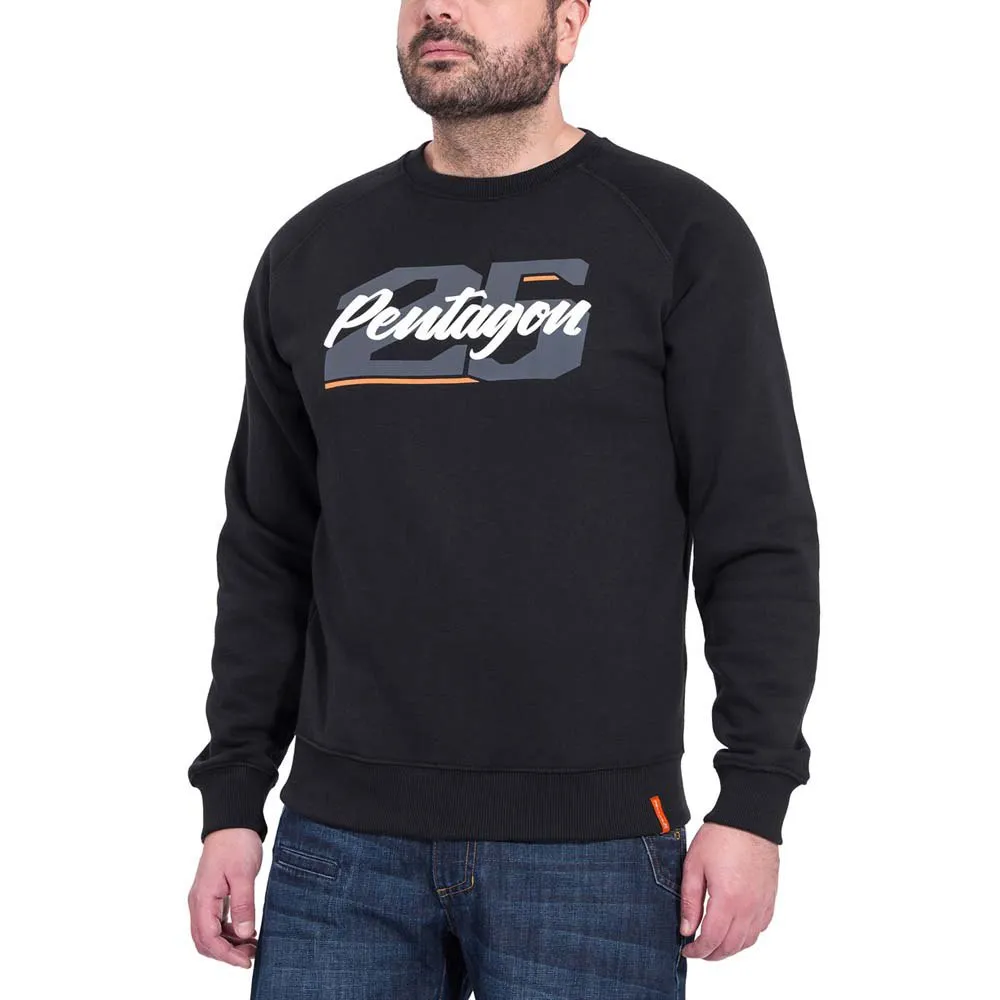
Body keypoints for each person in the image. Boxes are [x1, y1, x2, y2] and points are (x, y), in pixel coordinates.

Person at [186, 2, 820, 997]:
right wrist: (232, 798)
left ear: (568, 25)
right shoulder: (316, 250)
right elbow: (269, 544)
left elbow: (756, 531)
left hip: (595, 852)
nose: (439, 8)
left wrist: (755, 798)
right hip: (338, 851)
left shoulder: (678, 235)